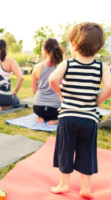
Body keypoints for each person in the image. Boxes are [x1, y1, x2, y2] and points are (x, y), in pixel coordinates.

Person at [49, 22, 111, 199]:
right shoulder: (102, 67)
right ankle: (85, 188)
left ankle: (64, 183)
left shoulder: (67, 64)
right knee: (87, 151)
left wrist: (61, 95)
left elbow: (53, 80)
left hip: (68, 116)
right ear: (98, 46)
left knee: (65, 149)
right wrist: (98, 100)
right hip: (89, 119)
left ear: (74, 45)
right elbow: (109, 87)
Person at [32, 38, 63, 125]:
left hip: (38, 108)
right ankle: (56, 120)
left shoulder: (37, 67)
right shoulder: (62, 66)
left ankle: (40, 116)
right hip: (56, 110)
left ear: (45, 51)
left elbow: (34, 91)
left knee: (42, 111)